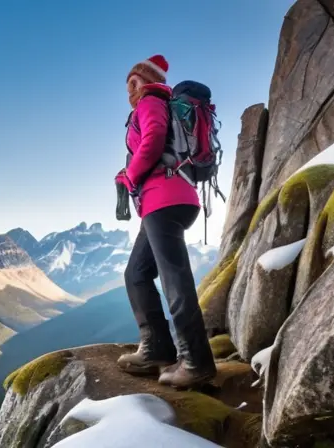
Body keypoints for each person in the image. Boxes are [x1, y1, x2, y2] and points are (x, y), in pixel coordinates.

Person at [114, 55, 217, 388]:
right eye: (128, 83)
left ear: (143, 81)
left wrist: (129, 175)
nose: (130, 88)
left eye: (133, 81)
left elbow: (155, 137)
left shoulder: (152, 101)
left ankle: (196, 362)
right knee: (137, 273)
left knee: (175, 281)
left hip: (164, 199)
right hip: (173, 197)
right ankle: (157, 348)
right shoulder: (160, 102)